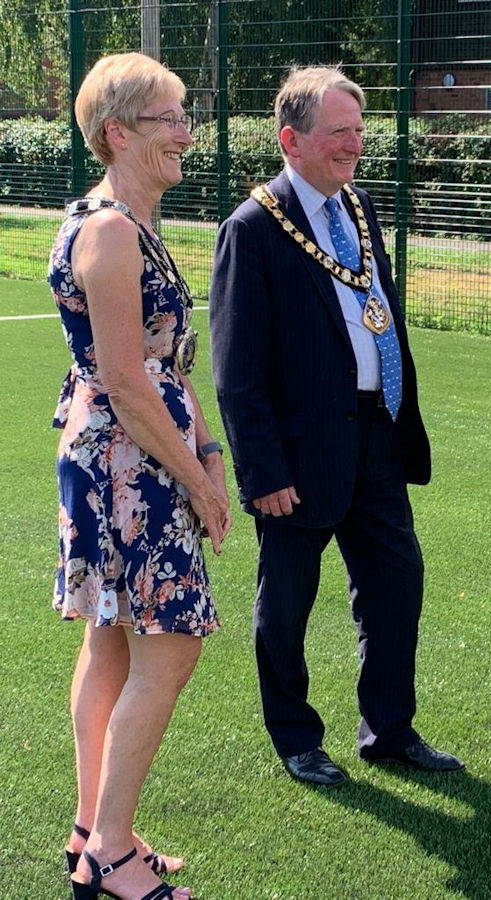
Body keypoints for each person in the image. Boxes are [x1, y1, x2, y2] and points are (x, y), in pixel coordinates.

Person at [209, 65, 463, 786]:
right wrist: (263, 472)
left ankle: (389, 730)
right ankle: (296, 737)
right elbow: (237, 370)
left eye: (360, 130)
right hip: (297, 452)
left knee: (395, 583)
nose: (355, 144)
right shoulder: (252, 229)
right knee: (286, 603)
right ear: (291, 140)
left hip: (374, 432)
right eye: (339, 132)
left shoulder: (358, 207)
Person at [49, 53, 231, 899]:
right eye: (170, 119)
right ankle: (112, 854)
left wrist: (212, 454)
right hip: (130, 462)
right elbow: (126, 378)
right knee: (171, 643)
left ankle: (93, 833)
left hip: (124, 453)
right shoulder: (112, 231)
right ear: (117, 132)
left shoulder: (126, 222)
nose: (186, 133)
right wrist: (195, 478)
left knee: (111, 640)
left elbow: (166, 363)